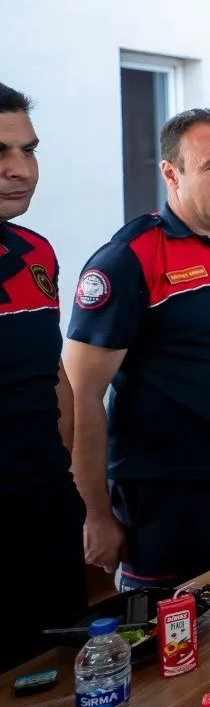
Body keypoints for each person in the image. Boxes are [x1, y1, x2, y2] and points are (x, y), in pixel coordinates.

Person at [65, 109, 210, 589]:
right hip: (169, 501)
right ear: (172, 173)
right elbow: (80, 394)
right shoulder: (130, 257)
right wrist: (95, 515)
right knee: (177, 650)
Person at [0, 83, 86, 672]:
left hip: (45, 514)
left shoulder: (36, 252)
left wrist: (67, 488)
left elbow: (54, 376)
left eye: (28, 151)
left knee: (62, 690)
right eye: (1, 154)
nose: (20, 170)